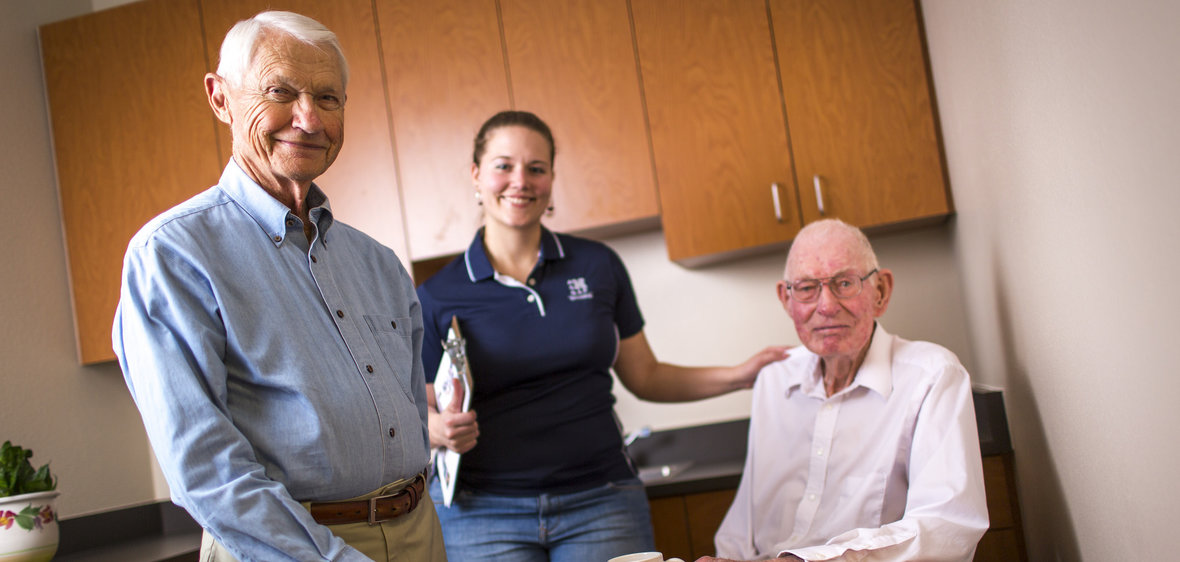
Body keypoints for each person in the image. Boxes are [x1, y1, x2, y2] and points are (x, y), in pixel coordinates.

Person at [111, 11, 445, 561]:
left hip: (419, 532)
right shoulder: (172, 255)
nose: (309, 118)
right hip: (285, 548)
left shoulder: (380, 263)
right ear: (221, 99)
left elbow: (411, 413)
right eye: (280, 91)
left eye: (329, 98)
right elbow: (205, 468)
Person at [415, 110, 789, 561]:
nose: (521, 180)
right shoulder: (437, 294)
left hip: (601, 500)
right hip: (482, 513)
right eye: (503, 166)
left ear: (552, 179)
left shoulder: (597, 266)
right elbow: (422, 408)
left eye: (537, 168)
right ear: (476, 175)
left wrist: (740, 375)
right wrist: (437, 430)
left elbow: (646, 376)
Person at [701, 218, 989, 562]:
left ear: (880, 291)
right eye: (807, 287)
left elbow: (946, 529)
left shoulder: (933, 375)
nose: (826, 306)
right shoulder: (774, 378)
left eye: (845, 283)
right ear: (786, 299)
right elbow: (742, 525)